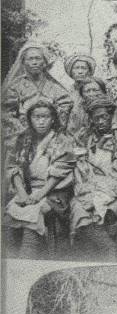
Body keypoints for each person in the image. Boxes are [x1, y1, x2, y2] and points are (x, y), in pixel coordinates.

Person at [4, 98, 75, 258]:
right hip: (27, 191)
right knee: (10, 218)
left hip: (53, 193)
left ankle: (26, 259)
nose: (41, 122)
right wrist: (22, 193)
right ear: (30, 119)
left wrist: (38, 195)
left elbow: (59, 173)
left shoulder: (61, 141)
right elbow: (13, 167)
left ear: (53, 119)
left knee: (33, 218)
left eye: (46, 117)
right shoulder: (23, 139)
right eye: (37, 117)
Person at [70, 95, 117, 257]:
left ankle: (109, 250)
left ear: (110, 116)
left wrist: (96, 159)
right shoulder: (83, 135)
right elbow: (77, 162)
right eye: (95, 118)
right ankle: (100, 247)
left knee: (106, 208)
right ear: (90, 118)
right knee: (80, 208)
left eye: (104, 117)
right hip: (85, 182)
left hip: (112, 184)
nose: (100, 122)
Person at [2, 41, 70, 144]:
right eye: (30, 59)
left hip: (51, 135)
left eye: (38, 58)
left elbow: (65, 106)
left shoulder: (55, 86)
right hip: (23, 135)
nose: (34, 62)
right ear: (24, 62)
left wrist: (53, 126)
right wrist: (23, 130)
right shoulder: (15, 87)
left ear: (44, 62)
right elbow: (6, 112)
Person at [63, 53, 96, 132]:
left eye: (83, 68)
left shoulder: (95, 90)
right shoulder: (66, 93)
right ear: (71, 71)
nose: (80, 71)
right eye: (76, 68)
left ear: (89, 71)